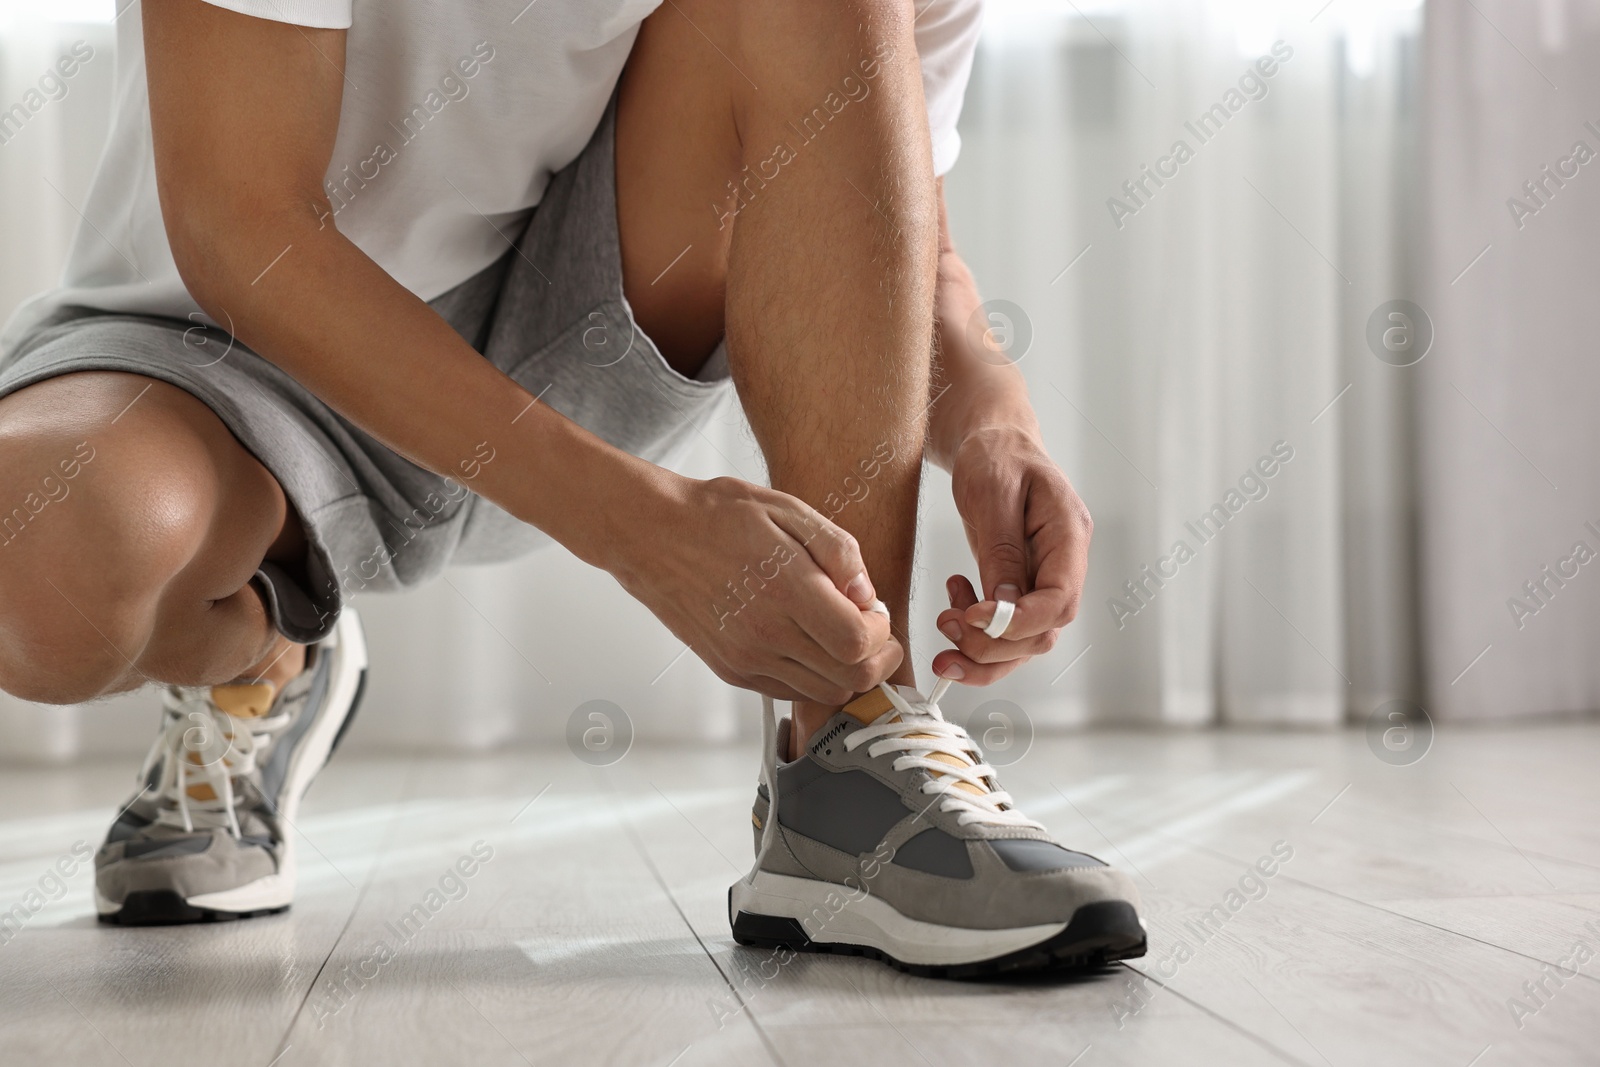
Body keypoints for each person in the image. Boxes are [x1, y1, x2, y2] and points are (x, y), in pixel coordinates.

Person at [0, 0, 1143, 975]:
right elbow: (240, 225)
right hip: (223, 347)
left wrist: (995, 414)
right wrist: (641, 528)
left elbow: (892, 235)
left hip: (568, 334)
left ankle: (851, 747)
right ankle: (263, 647)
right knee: (34, 560)